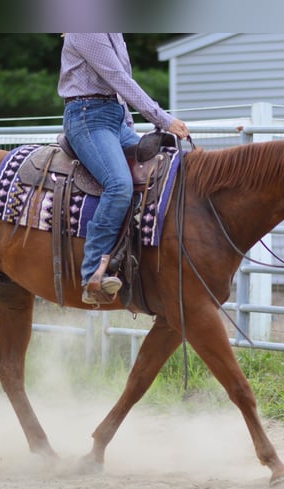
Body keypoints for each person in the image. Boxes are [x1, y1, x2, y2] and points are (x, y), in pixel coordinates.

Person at [58, 33, 189, 305]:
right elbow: (117, 78)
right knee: (119, 185)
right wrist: (163, 119)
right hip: (87, 118)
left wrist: (129, 125)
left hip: (115, 120)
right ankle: (92, 274)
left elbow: (118, 89)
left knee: (166, 164)